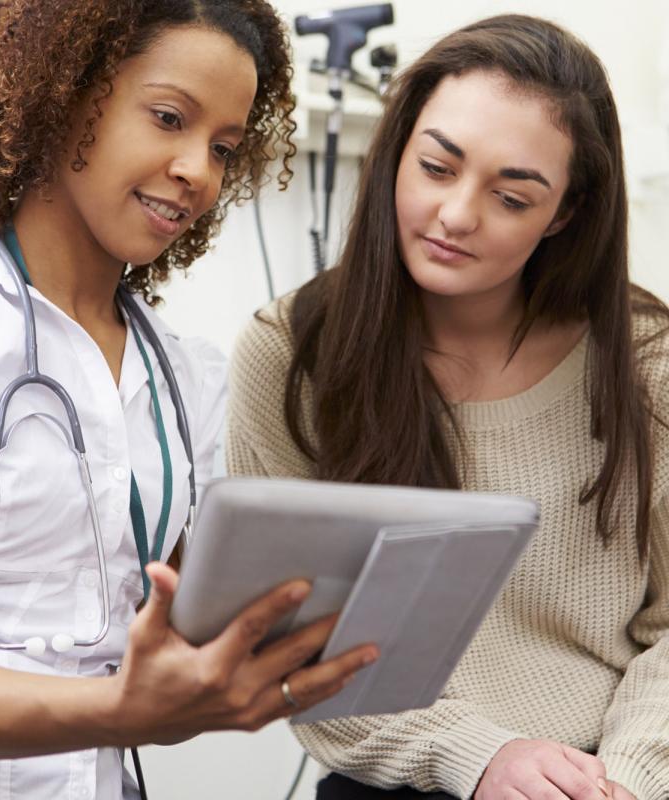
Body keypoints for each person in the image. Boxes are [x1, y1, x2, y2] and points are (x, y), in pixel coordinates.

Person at [0, 1, 380, 797]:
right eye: (169, 118)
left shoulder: (185, 376)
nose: (198, 172)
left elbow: (180, 622)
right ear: (63, 92)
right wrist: (111, 709)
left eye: (223, 148)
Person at [227, 13, 669, 800]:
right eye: (437, 167)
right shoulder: (292, 356)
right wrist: (479, 756)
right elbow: (295, 651)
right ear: (398, 153)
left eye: (511, 196)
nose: (458, 215)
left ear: (564, 213)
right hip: (401, 779)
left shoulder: (647, 363)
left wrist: (622, 782)